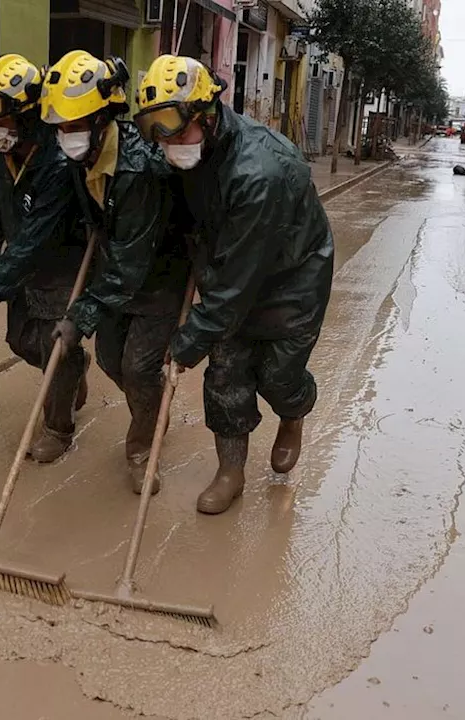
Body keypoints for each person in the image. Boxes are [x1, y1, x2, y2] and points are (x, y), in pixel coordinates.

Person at [134, 55, 335, 515]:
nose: (166, 144)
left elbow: (235, 286)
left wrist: (187, 343)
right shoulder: (188, 148)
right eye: (156, 131)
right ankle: (231, 471)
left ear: (206, 117)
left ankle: (294, 409)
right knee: (225, 374)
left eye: (174, 130)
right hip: (230, 266)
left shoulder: (260, 171)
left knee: (277, 376)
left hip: (292, 279)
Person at [39, 50, 192, 494]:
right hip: (114, 275)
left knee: (139, 368)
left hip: (158, 277)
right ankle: (154, 407)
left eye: (74, 124)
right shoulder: (80, 157)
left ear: (103, 117)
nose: (65, 134)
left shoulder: (139, 167)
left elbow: (132, 263)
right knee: (109, 359)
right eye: (60, 126)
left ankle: (142, 448)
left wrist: (78, 317)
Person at [0, 54, 92, 463]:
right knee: (20, 340)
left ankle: (58, 428)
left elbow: (36, 238)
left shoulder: (55, 162)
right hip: (20, 265)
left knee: (56, 346)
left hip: (58, 263)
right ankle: (74, 369)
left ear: (28, 115)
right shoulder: (1, 154)